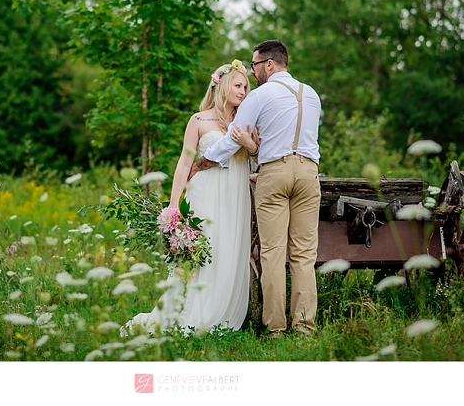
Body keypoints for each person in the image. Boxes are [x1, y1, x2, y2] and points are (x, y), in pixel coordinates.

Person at [189, 40, 322, 337]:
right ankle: (304, 329)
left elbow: (233, 138)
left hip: (274, 174)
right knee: (303, 255)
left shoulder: (260, 96)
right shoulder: (311, 95)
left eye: (254, 65)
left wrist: (204, 161)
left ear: (269, 65)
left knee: (273, 254)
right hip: (309, 173)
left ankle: (275, 329)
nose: (252, 72)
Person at [122, 60, 258, 336]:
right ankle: (190, 310)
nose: (243, 91)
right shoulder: (198, 120)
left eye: (246, 86)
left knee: (230, 250)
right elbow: (185, 164)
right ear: (222, 86)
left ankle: (223, 312)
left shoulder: (246, 121)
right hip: (204, 193)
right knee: (204, 251)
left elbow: (256, 151)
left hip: (236, 196)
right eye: (238, 85)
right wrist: (173, 205)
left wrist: (247, 142)